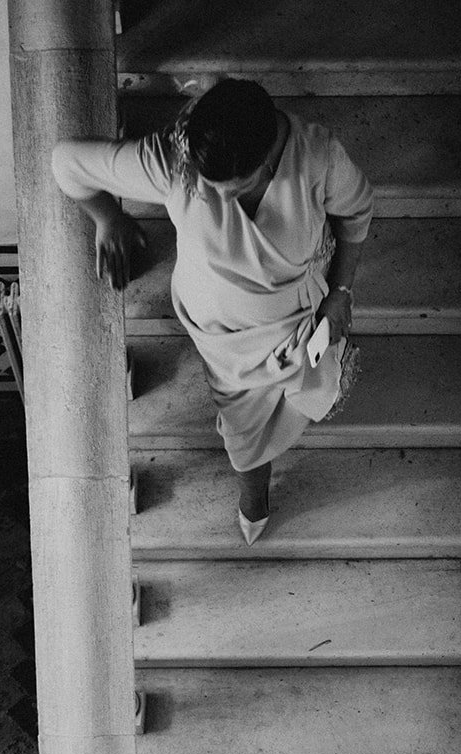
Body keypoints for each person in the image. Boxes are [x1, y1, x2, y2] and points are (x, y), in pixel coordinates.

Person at [52, 76, 373, 542]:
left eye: (231, 189)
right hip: (222, 339)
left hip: (295, 320)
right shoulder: (173, 159)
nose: (214, 200)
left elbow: (358, 212)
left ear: (267, 164)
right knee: (242, 433)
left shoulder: (317, 156)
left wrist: (341, 290)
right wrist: (109, 218)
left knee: (303, 393)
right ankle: (254, 491)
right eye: (208, 186)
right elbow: (66, 162)